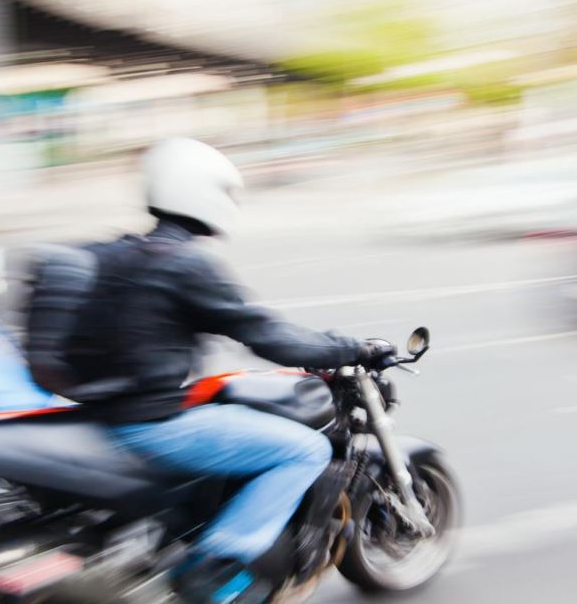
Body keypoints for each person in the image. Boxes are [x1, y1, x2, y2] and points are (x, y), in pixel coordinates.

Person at [54, 137, 389, 604]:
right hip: (149, 424)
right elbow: (269, 337)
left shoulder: (113, 253)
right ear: (204, 192)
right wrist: (351, 347)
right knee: (305, 451)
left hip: (91, 414)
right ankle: (214, 570)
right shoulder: (185, 263)